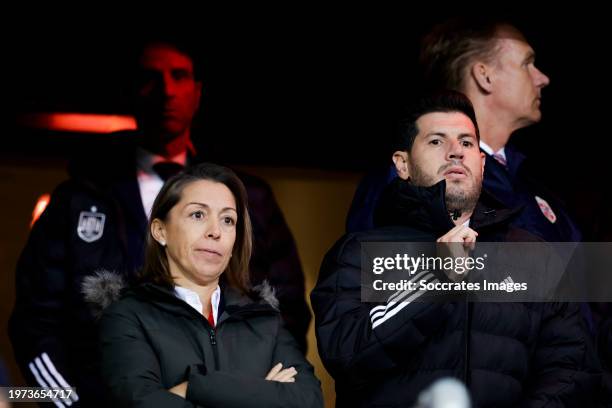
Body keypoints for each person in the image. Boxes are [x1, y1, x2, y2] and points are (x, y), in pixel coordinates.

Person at [9, 37, 310, 407]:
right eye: (152, 78)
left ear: (197, 92)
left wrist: (236, 393)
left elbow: (287, 312)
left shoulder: (248, 197)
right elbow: (35, 323)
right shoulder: (79, 198)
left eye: (178, 76)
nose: (167, 90)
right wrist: (71, 404)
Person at [311, 92, 600, 407]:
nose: (456, 153)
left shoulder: (534, 256)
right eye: (437, 141)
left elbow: (573, 368)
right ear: (402, 164)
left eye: (467, 143)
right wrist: (438, 280)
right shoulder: (359, 252)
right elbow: (346, 354)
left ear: (482, 162)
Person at [94, 162, 322, 407]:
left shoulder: (264, 320)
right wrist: (263, 393)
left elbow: (309, 399)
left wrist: (194, 387)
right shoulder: (127, 316)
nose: (215, 231)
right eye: (198, 214)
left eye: (227, 220)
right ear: (160, 231)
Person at [346, 17, 581, 245]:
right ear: (484, 76)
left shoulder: (534, 187)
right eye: (526, 63)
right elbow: (374, 272)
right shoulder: (407, 175)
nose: (542, 78)